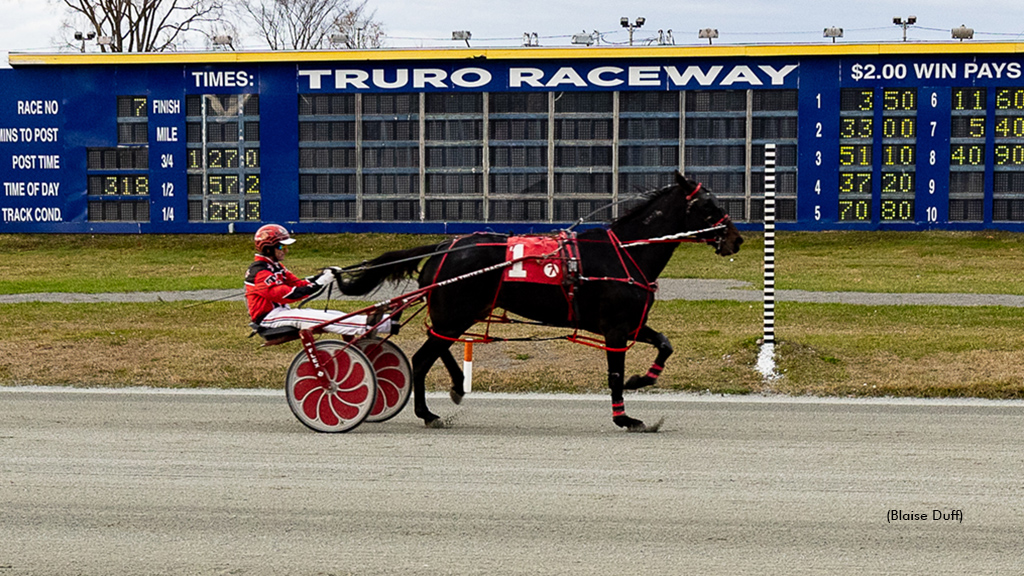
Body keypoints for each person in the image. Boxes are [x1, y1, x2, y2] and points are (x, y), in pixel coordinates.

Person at [245, 224, 392, 336]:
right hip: (268, 318)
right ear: (268, 248)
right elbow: (289, 294)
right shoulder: (259, 271)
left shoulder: (276, 266)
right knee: (317, 318)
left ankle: (387, 322)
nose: (286, 250)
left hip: (281, 313)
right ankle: (368, 325)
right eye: (282, 246)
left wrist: (324, 275)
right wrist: (320, 282)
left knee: (333, 314)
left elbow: (299, 283)